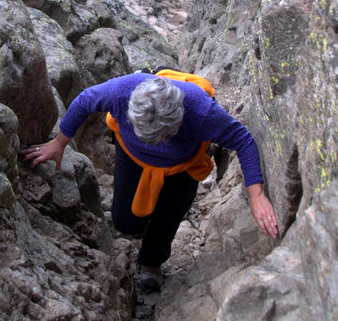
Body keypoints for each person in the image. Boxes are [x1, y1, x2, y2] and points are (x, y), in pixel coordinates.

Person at [22, 70, 278, 291]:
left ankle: (151, 261)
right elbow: (84, 101)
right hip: (132, 154)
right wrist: (58, 143)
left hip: (184, 164)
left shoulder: (202, 111)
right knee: (125, 222)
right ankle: (142, 225)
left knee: (169, 214)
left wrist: (256, 194)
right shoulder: (121, 92)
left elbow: (243, 140)